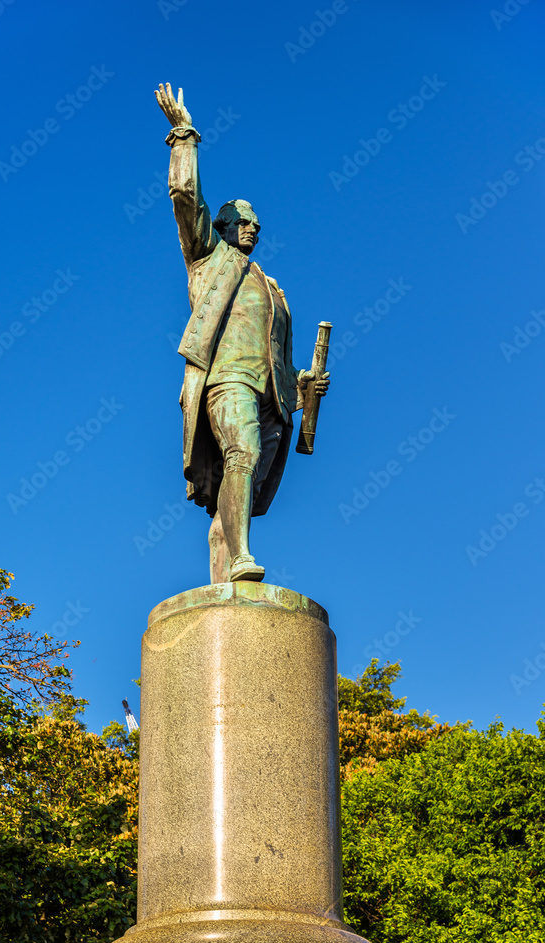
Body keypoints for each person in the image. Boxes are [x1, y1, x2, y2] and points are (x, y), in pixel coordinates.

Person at [155, 83, 330, 584]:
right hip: (227, 379)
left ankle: (225, 561)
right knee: (241, 453)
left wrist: (304, 387)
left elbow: (280, 353)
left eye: (256, 223)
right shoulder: (209, 259)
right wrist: (182, 136)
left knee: (246, 487)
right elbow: (187, 200)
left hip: (273, 395)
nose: (252, 228)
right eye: (242, 221)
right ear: (223, 226)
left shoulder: (273, 289)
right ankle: (241, 561)